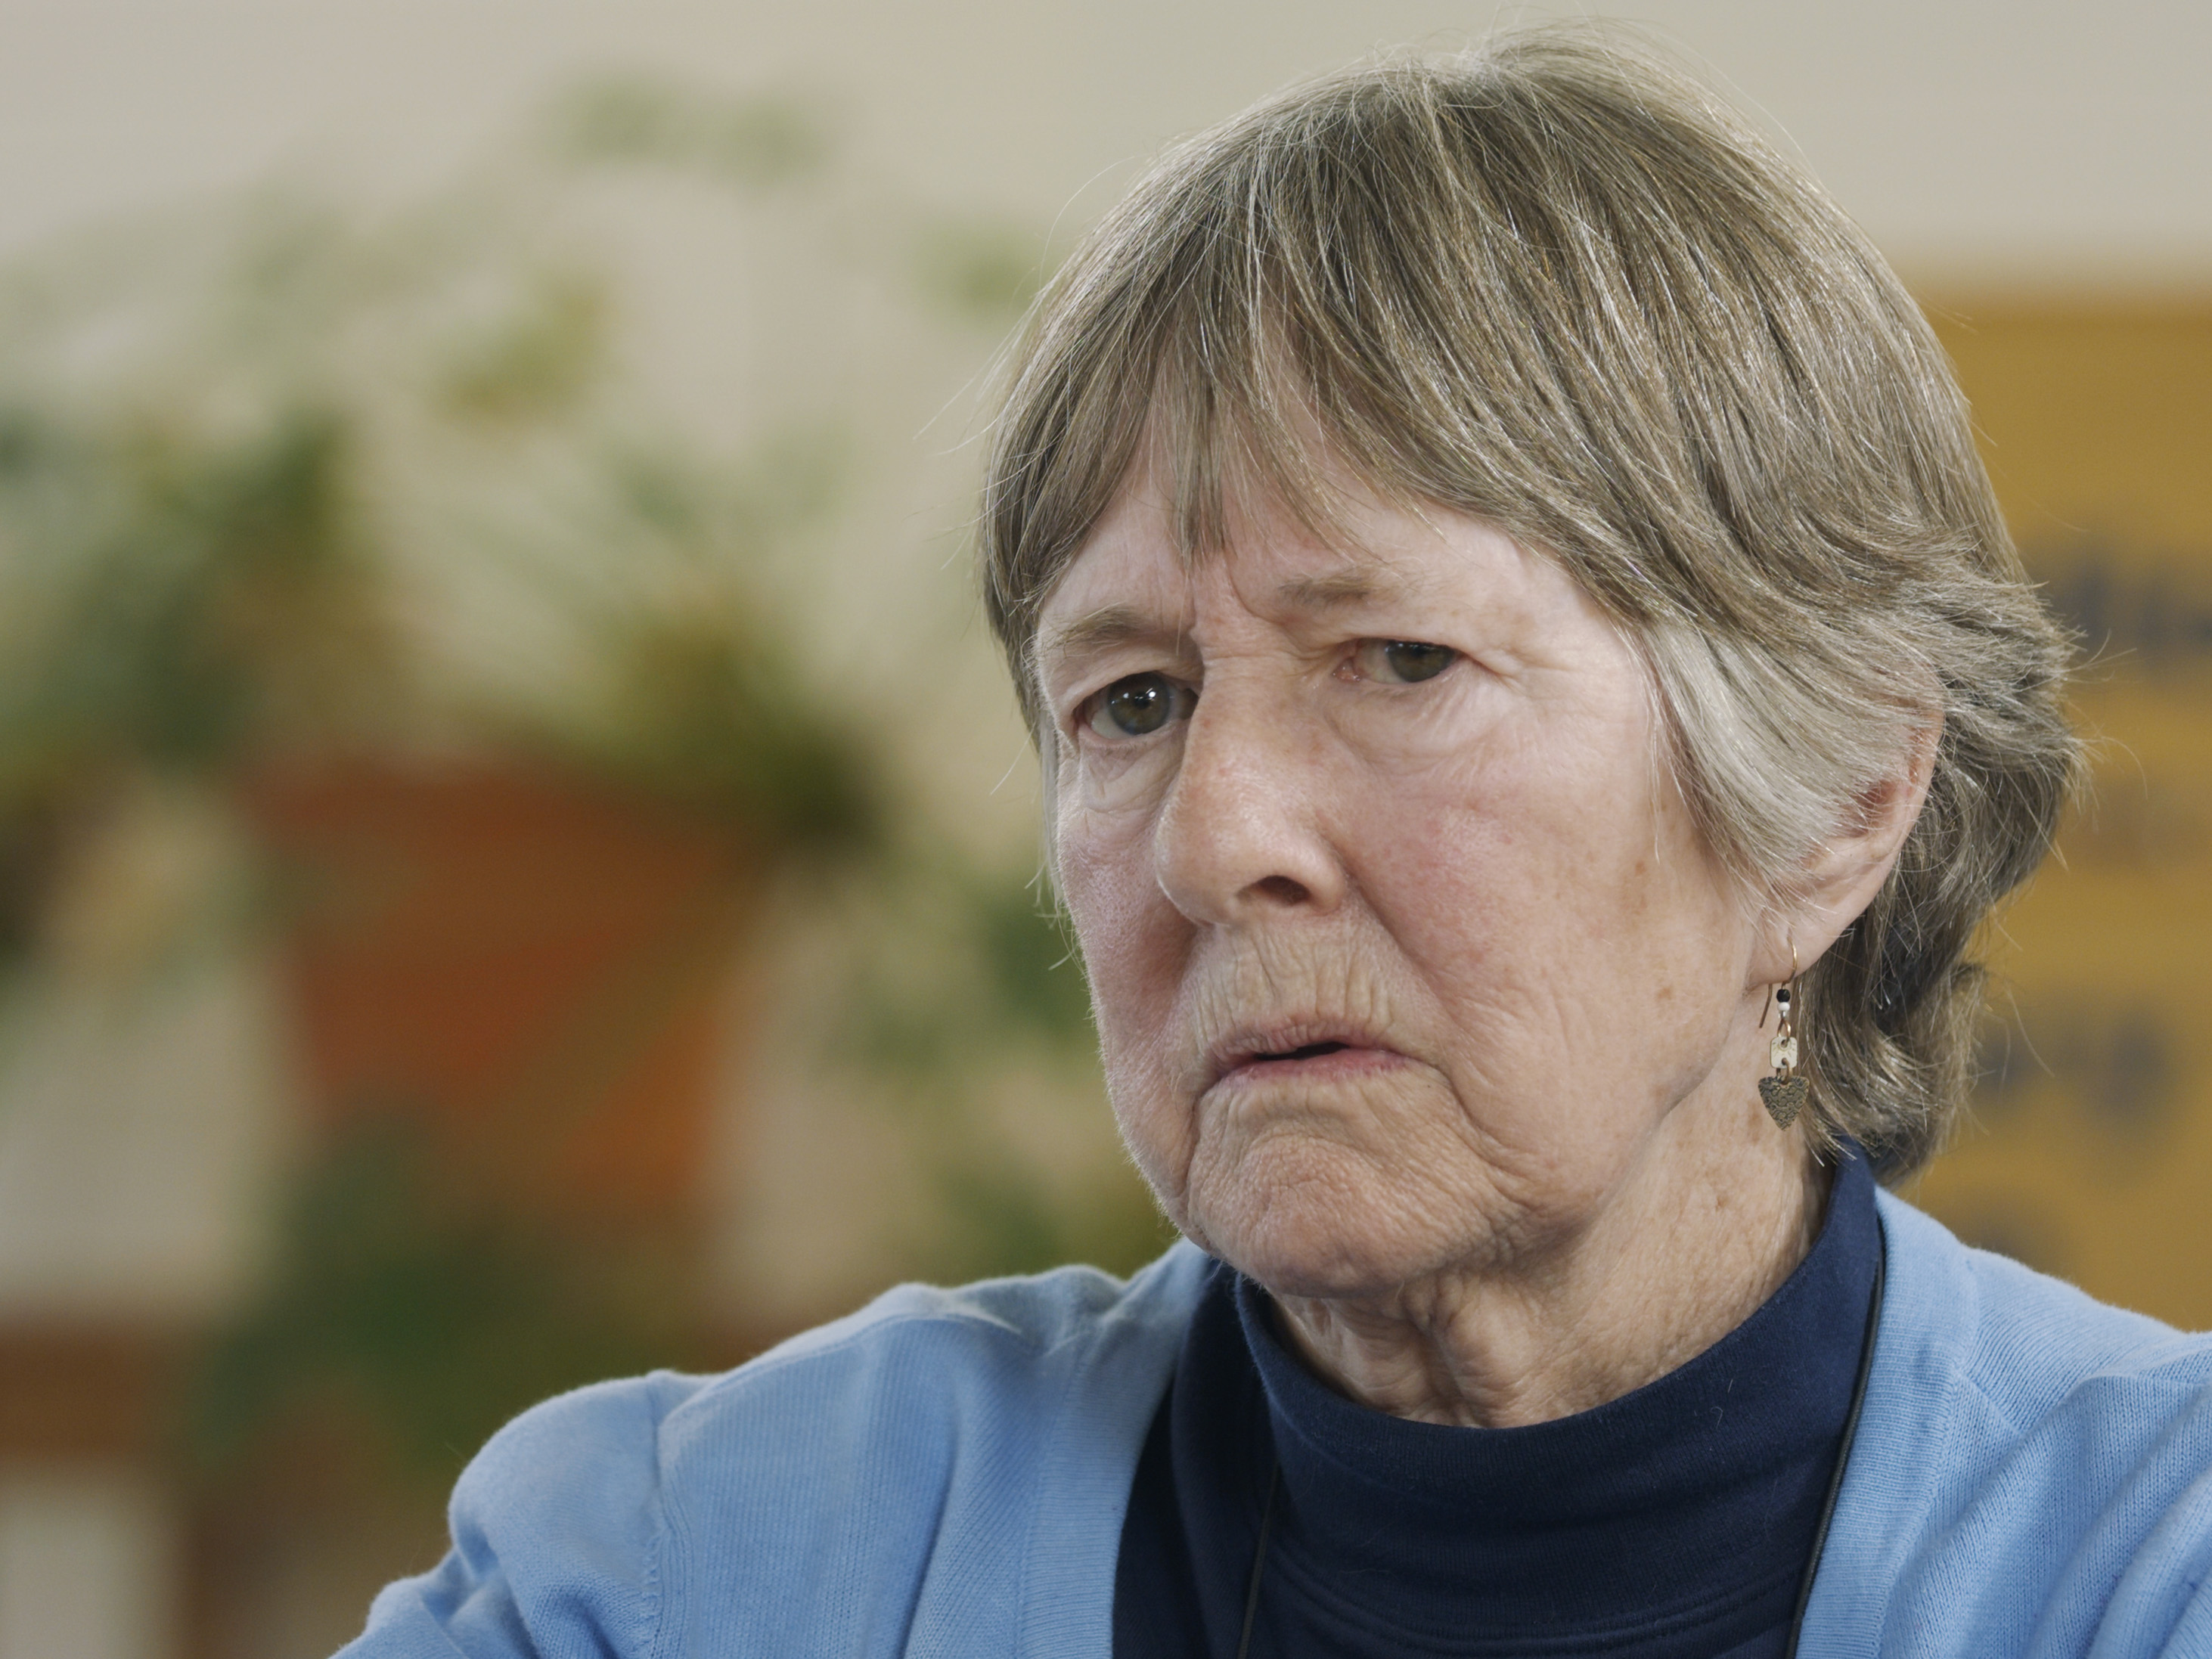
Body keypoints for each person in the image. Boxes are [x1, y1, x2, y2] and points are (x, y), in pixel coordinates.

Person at [340, 26, 2212, 1659]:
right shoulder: (686, 1566)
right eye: (1131, 699)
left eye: (1401, 658)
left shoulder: (2150, 1563)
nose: (1212, 838)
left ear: (1836, 799)